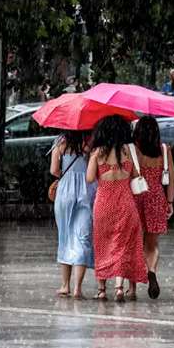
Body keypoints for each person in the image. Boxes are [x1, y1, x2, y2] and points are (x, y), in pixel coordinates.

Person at [86, 115, 148, 302]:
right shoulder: (129, 152)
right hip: (125, 205)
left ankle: (102, 289)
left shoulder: (98, 153)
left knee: (103, 245)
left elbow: (89, 179)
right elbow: (136, 176)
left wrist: (94, 159)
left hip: (104, 205)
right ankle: (120, 287)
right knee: (122, 245)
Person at [131, 116, 174, 300]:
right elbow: (172, 179)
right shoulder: (164, 150)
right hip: (157, 197)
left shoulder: (133, 150)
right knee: (152, 244)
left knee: (134, 243)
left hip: (136, 197)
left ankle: (131, 287)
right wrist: (170, 201)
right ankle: (151, 271)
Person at [50, 130, 97, 300]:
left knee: (65, 236)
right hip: (87, 190)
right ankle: (78, 287)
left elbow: (54, 170)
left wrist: (67, 174)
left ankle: (65, 285)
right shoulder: (90, 143)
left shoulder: (60, 142)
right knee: (83, 238)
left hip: (65, 192)